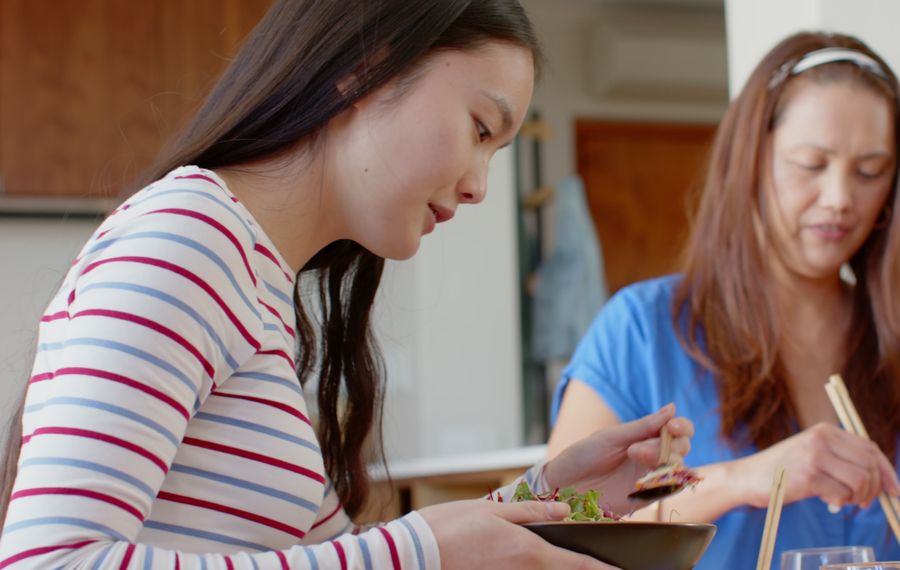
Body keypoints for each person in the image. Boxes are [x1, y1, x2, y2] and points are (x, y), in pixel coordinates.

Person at [0, 1, 695, 568]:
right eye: (481, 128)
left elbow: (330, 559)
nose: (482, 186)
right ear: (364, 71)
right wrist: (422, 553)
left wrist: (541, 496)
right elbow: (50, 561)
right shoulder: (187, 237)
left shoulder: (258, 284)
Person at [548, 31, 900, 569]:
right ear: (751, 160)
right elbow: (558, 527)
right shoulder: (642, 330)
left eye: (870, 171)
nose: (841, 198)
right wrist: (745, 479)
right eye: (811, 164)